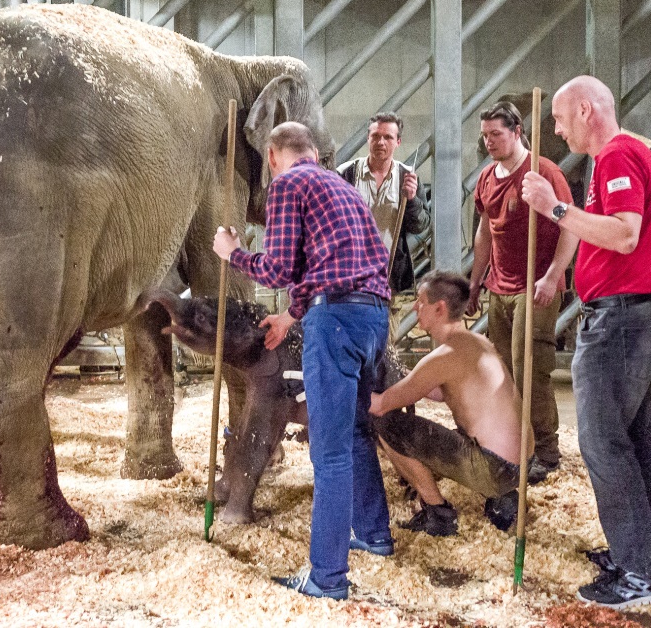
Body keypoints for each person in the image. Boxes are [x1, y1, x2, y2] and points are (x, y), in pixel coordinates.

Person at [213, 121, 393, 601]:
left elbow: (278, 268)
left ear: (274, 156)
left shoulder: (289, 183)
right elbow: (329, 267)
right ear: (313, 151)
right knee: (355, 434)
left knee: (328, 452)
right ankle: (374, 535)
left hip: (333, 322)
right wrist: (290, 318)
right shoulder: (346, 189)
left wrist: (233, 254)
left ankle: (327, 578)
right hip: (373, 317)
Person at [522, 75, 651, 610]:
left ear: (586, 110)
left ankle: (639, 575)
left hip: (620, 321)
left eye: (561, 119)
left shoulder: (616, 157)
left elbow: (625, 233)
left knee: (603, 443)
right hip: (628, 315)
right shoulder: (621, 157)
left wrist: (552, 208)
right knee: (632, 442)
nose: (557, 131)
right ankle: (637, 551)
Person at [467, 101, 578, 485]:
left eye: (496, 134)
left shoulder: (543, 172)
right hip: (500, 287)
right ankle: (515, 444)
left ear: (516, 132)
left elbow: (571, 227)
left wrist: (552, 276)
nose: (489, 142)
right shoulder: (486, 179)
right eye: (485, 136)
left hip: (536, 290)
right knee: (503, 373)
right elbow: (485, 234)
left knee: (530, 370)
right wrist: (475, 280)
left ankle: (546, 451)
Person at [369, 271, 530, 537]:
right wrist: (406, 382)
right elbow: (437, 391)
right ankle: (503, 498)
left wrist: (338, 389)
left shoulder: (443, 357)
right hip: (521, 466)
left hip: (493, 468)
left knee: (386, 423)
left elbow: (380, 405)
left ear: (439, 308)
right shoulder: (479, 342)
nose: (414, 307)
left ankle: (438, 512)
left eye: (420, 301)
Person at [337, 112, 430, 293]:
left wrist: (411, 200)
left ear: (398, 142)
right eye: (375, 136)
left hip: (388, 279)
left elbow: (421, 226)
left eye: (388, 137)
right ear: (367, 138)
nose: (381, 142)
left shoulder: (407, 176)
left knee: (387, 322)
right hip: (349, 276)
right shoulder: (346, 173)